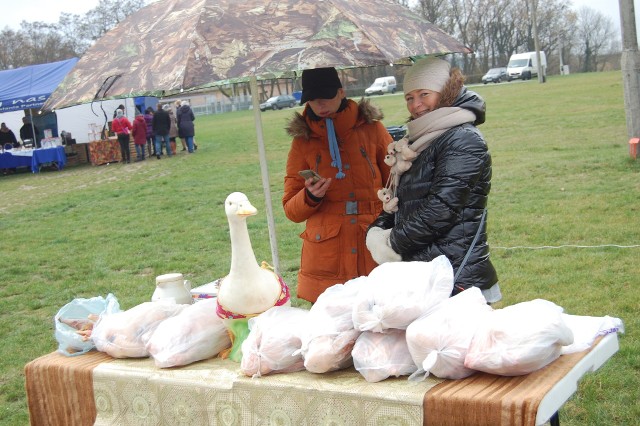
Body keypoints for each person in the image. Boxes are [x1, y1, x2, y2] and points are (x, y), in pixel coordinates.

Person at [365, 57, 501, 303]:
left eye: (424, 94)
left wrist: (392, 242)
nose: (416, 105)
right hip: (428, 271)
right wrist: (377, 229)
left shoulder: (463, 139)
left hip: (456, 277)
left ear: (445, 91)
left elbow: (441, 208)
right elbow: (406, 200)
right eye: (409, 97)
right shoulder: (422, 138)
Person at [282, 67, 392, 303]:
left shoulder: (373, 129)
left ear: (341, 92)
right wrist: (310, 197)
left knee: (381, 321)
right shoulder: (302, 141)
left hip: (372, 241)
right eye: (312, 100)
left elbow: (398, 183)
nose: (319, 105)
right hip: (327, 254)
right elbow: (291, 209)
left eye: (326, 97)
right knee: (331, 330)